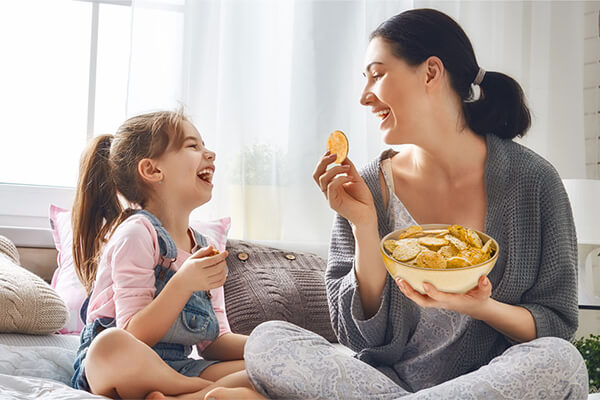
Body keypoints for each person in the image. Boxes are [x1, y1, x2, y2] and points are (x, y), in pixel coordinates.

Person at [239, 8, 589, 400]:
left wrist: (481, 306)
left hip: (492, 383)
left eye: (377, 74)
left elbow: (556, 323)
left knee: (561, 360)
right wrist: (363, 226)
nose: (364, 96)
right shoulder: (368, 185)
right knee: (267, 340)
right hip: (383, 383)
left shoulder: (533, 181)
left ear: (431, 72)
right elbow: (356, 337)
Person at [70, 110, 261, 399]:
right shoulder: (136, 233)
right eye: (192, 146)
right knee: (110, 346)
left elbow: (216, 342)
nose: (209, 154)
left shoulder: (206, 246)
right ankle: (201, 392)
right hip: (124, 365)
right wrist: (183, 283)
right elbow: (133, 335)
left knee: (266, 370)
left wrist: (270, 346)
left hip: (179, 367)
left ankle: (181, 394)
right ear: (152, 170)